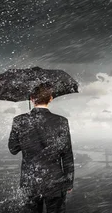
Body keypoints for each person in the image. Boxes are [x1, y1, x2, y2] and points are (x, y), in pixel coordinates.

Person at [8, 83, 74, 213]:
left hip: (30, 180)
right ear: (50, 98)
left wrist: (26, 137)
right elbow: (67, 154)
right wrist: (69, 181)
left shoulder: (19, 120)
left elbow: (13, 149)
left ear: (32, 99)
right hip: (55, 180)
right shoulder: (61, 121)